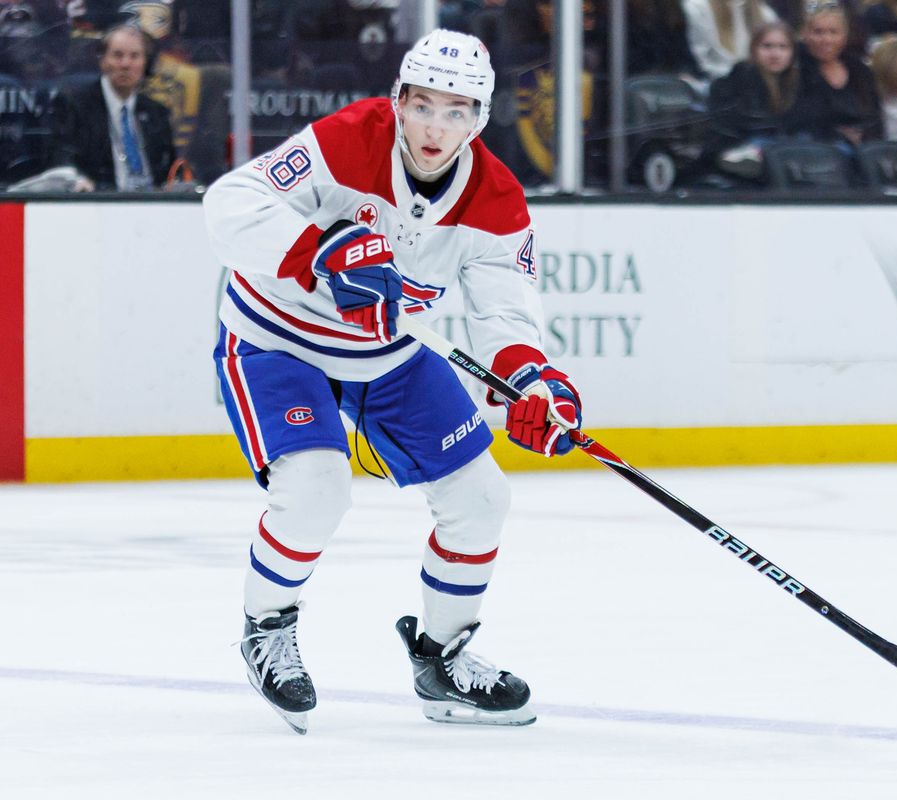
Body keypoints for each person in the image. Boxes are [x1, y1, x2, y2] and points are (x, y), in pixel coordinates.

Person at [202, 29, 583, 734]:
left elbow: (504, 311)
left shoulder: (496, 198)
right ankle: (267, 627)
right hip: (277, 336)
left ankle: (443, 660)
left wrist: (532, 381)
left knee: (482, 498)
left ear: (481, 119)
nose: (437, 128)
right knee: (316, 489)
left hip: (388, 352)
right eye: (424, 105)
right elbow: (228, 203)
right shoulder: (347, 139)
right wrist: (316, 251)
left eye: (458, 111)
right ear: (398, 101)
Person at [48, 22, 175, 191]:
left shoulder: (156, 112)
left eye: (134, 56)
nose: (125, 64)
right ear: (103, 61)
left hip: (151, 203)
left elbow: (170, 171)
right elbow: (62, 157)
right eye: (117, 55)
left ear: (146, 63)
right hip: (99, 202)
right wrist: (77, 181)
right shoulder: (75, 104)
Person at [705, 20, 800, 178]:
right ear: (754, 49)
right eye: (767, 46)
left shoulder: (799, 82)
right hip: (740, 151)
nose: (775, 54)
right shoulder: (739, 78)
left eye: (783, 47)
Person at [794, 1, 882, 147]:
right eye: (818, 32)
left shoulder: (860, 71)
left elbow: (874, 118)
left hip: (861, 150)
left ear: (845, 36)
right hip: (811, 149)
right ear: (805, 34)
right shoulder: (795, 68)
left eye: (833, 32)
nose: (826, 40)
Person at [682, 0, 779, 81]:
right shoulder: (697, 8)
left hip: (758, 83)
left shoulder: (765, 14)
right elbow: (700, 60)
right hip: (713, 83)